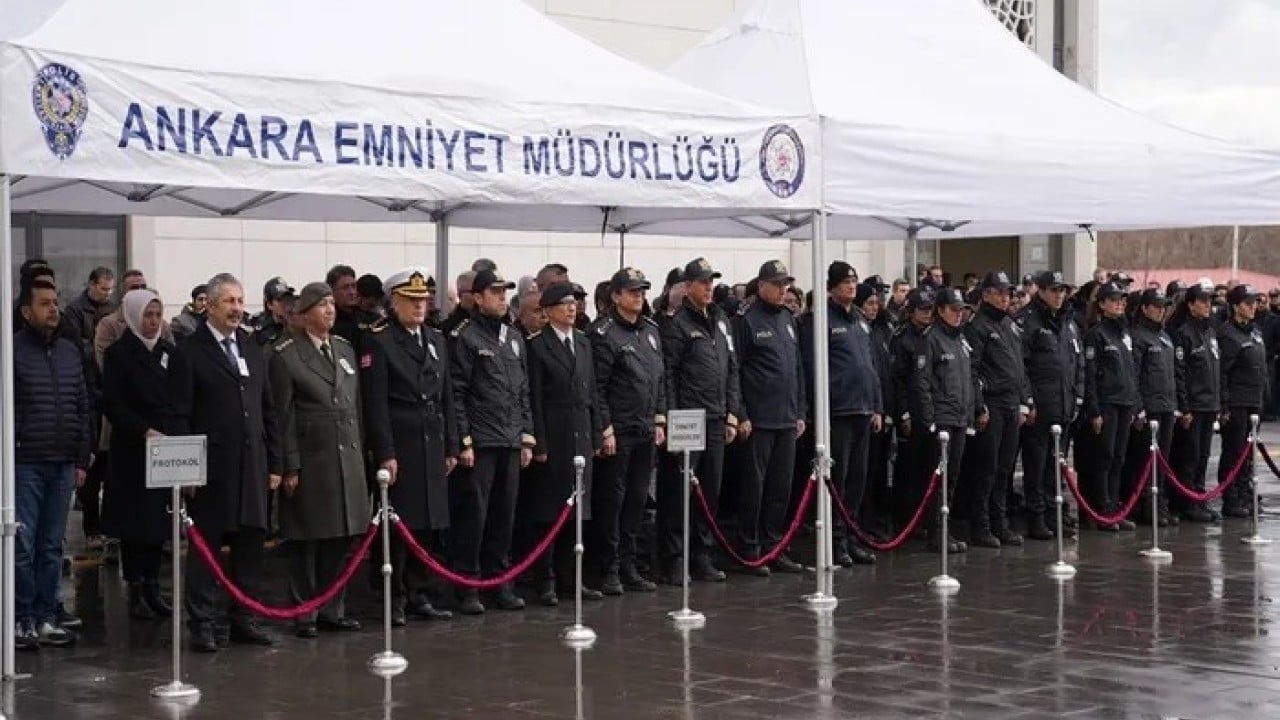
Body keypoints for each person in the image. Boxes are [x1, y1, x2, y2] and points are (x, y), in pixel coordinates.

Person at [167, 273, 281, 652]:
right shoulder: (189, 351)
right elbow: (179, 414)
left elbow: (268, 410)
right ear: (210, 306)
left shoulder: (250, 348)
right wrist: (187, 471)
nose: (236, 309)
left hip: (253, 465)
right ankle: (203, 622)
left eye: (239, 300)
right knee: (206, 548)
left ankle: (244, 617)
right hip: (212, 469)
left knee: (250, 544)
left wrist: (276, 463)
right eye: (229, 301)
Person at [268, 283, 371, 639]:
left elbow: (356, 406)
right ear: (304, 312)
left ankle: (333, 608)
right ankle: (304, 611)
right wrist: (290, 465)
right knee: (304, 540)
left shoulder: (343, 347)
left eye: (331, 304)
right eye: (322, 304)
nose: (330, 310)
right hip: (313, 459)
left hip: (347, 455)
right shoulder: (285, 354)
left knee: (339, 538)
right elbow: (282, 416)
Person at [361, 268, 458, 624]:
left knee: (430, 521)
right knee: (400, 523)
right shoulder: (379, 339)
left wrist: (451, 443)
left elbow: (447, 395)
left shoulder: (435, 338)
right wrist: (385, 452)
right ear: (394, 302)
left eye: (423, 300)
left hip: (431, 437)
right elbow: (376, 403)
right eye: (411, 300)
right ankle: (395, 595)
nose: (420, 306)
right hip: (402, 441)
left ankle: (420, 592)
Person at [448, 269, 534, 615]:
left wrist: (527, 436)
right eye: (494, 292)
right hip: (481, 442)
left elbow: (522, 391)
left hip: (510, 440)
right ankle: (467, 584)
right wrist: (464, 440)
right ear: (478, 297)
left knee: (504, 515)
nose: (501, 297)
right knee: (474, 517)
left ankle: (500, 581)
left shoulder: (514, 338)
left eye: (504, 291)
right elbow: (457, 393)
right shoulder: (464, 337)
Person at [13, 279, 91, 650]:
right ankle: (21, 617)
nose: (53, 309)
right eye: (44, 303)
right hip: (26, 461)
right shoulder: (12, 351)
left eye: (55, 302)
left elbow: (82, 405)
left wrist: (81, 457)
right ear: (26, 312)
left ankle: (45, 616)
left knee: (51, 547)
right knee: (23, 546)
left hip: (63, 462)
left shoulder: (68, 352)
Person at [657, 258, 741, 584]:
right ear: (688, 286)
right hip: (689, 418)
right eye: (702, 282)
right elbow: (670, 376)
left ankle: (702, 554)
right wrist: (674, 418)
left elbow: (731, 367)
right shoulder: (677, 325)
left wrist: (732, 412)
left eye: (711, 282)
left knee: (710, 490)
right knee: (681, 493)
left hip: (717, 416)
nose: (709, 287)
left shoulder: (720, 320)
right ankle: (675, 558)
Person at [526, 283, 606, 604]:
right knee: (550, 512)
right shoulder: (537, 346)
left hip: (581, 433)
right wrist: (540, 440)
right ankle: (545, 580)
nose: (572, 309)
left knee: (577, 514)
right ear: (547, 310)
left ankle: (572, 578)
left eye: (574, 303)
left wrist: (598, 431)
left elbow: (593, 393)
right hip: (555, 434)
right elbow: (534, 397)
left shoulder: (583, 343)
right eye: (564, 304)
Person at [101, 288, 175, 620]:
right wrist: (143, 430)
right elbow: (113, 403)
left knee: (160, 522)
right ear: (133, 316)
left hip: (165, 449)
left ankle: (153, 587)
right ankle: (135, 589)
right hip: (134, 450)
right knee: (136, 525)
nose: (153, 321)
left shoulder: (169, 351)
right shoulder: (119, 354)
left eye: (158, 315)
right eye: (147, 315)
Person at [590, 268, 665, 594]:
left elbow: (659, 379)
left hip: (645, 428)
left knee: (636, 500)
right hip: (619, 430)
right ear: (616, 296)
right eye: (632, 291)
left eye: (642, 291)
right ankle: (607, 568)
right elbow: (597, 388)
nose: (639, 296)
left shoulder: (650, 330)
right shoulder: (603, 333)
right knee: (613, 501)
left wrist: (660, 419)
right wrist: (605, 428)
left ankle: (628, 563)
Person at [802, 261, 881, 566]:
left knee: (859, 479)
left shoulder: (860, 320)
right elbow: (811, 367)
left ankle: (851, 535)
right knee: (840, 478)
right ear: (832, 287)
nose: (851, 286)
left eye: (854, 281)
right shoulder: (820, 319)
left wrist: (875, 404)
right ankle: (835, 541)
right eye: (846, 282)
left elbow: (869, 365)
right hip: (838, 410)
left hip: (862, 408)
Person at [732, 261, 807, 575]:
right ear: (761, 285)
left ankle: (775, 545)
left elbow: (798, 369)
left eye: (786, 284)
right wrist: (742, 414)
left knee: (781, 487)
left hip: (787, 417)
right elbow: (735, 371)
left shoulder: (789, 320)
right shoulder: (746, 320)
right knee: (754, 487)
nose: (783, 290)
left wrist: (801, 411)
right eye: (777, 284)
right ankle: (750, 547)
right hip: (759, 419)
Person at [911, 287, 983, 553]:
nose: (959, 314)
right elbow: (922, 382)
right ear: (940, 310)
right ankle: (936, 532)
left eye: (961, 309)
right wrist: (929, 419)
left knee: (952, 477)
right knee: (938, 478)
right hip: (942, 420)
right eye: (953, 309)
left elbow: (969, 378)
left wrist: (974, 410)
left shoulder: (961, 339)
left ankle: (945, 528)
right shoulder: (931, 340)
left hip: (960, 417)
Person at [964, 272, 1032, 547]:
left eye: (1008, 293)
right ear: (987, 293)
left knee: (1004, 468)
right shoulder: (978, 326)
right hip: (991, 403)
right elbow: (973, 369)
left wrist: (1025, 400)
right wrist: (979, 406)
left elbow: (1019, 367)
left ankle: (999, 522)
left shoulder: (1009, 325)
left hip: (1010, 402)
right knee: (986, 468)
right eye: (1000, 293)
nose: (1006, 298)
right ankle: (980, 525)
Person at [1018, 271, 1082, 541]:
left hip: (1063, 404)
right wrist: (1028, 401)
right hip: (1041, 407)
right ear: (1041, 291)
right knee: (1036, 466)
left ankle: (1053, 516)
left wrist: (1077, 395)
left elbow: (1078, 362)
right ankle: (1036, 518)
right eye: (1054, 290)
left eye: (1062, 290)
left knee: (1055, 467)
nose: (1059, 295)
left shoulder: (1068, 321)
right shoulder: (1028, 321)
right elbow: (1020, 366)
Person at [1079, 282, 1139, 532]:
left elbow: (1132, 371)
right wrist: (1094, 409)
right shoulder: (1097, 334)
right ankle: (1101, 507)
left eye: (1122, 300)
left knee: (1118, 458)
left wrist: (1136, 403)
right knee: (1103, 458)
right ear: (1102, 304)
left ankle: (1115, 506)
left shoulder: (1124, 334)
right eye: (1114, 300)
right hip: (1107, 403)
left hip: (1125, 402)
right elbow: (1091, 375)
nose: (1120, 304)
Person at [1169, 284, 1222, 523]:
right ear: (1190, 305)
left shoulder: (1209, 332)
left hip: (1209, 403)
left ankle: (1199, 497)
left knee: (1203, 456)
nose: (1207, 305)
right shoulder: (1184, 333)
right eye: (1202, 301)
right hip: (1194, 405)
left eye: (1209, 301)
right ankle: (1187, 502)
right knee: (1189, 456)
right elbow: (1180, 373)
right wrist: (1185, 407)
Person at [1125, 288, 1176, 526]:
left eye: (1163, 307)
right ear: (1144, 308)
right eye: (1156, 306)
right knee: (1144, 460)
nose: (1161, 311)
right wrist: (1139, 407)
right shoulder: (1138, 336)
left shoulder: (1165, 336)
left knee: (1162, 459)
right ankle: (1143, 505)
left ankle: (1159, 503)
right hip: (1149, 408)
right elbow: (1133, 375)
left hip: (1166, 405)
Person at [1217, 284, 1269, 518]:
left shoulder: (1255, 331)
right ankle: (1231, 497)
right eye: (1248, 304)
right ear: (1236, 306)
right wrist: (1225, 404)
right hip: (1237, 401)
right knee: (1234, 451)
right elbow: (1223, 372)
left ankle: (1246, 490)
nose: (1253, 307)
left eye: (1255, 303)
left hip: (1254, 400)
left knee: (1248, 453)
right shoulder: (1227, 333)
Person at [889, 288, 935, 531]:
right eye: (923, 309)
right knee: (909, 468)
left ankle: (923, 518)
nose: (927, 314)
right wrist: (904, 413)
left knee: (927, 467)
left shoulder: (931, 336)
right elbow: (898, 381)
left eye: (930, 309)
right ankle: (904, 519)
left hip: (928, 410)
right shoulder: (902, 339)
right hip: (910, 410)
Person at [65, 266, 115, 349]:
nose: (108, 293)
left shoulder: (113, 309)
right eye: (103, 289)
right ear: (91, 285)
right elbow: (74, 341)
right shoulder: (74, 309)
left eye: (110, 289)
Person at [249, 277, 295, 347]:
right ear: (269, 304)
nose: (285, 303)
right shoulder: (259, 327)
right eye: (280, 300)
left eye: (287, 298)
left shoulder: (298, 322)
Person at [326, 264, 361, 344]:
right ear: (332, 291)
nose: (352, 292)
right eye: (345, 288)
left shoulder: (366, 318)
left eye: (353, 286)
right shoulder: (329, 322)